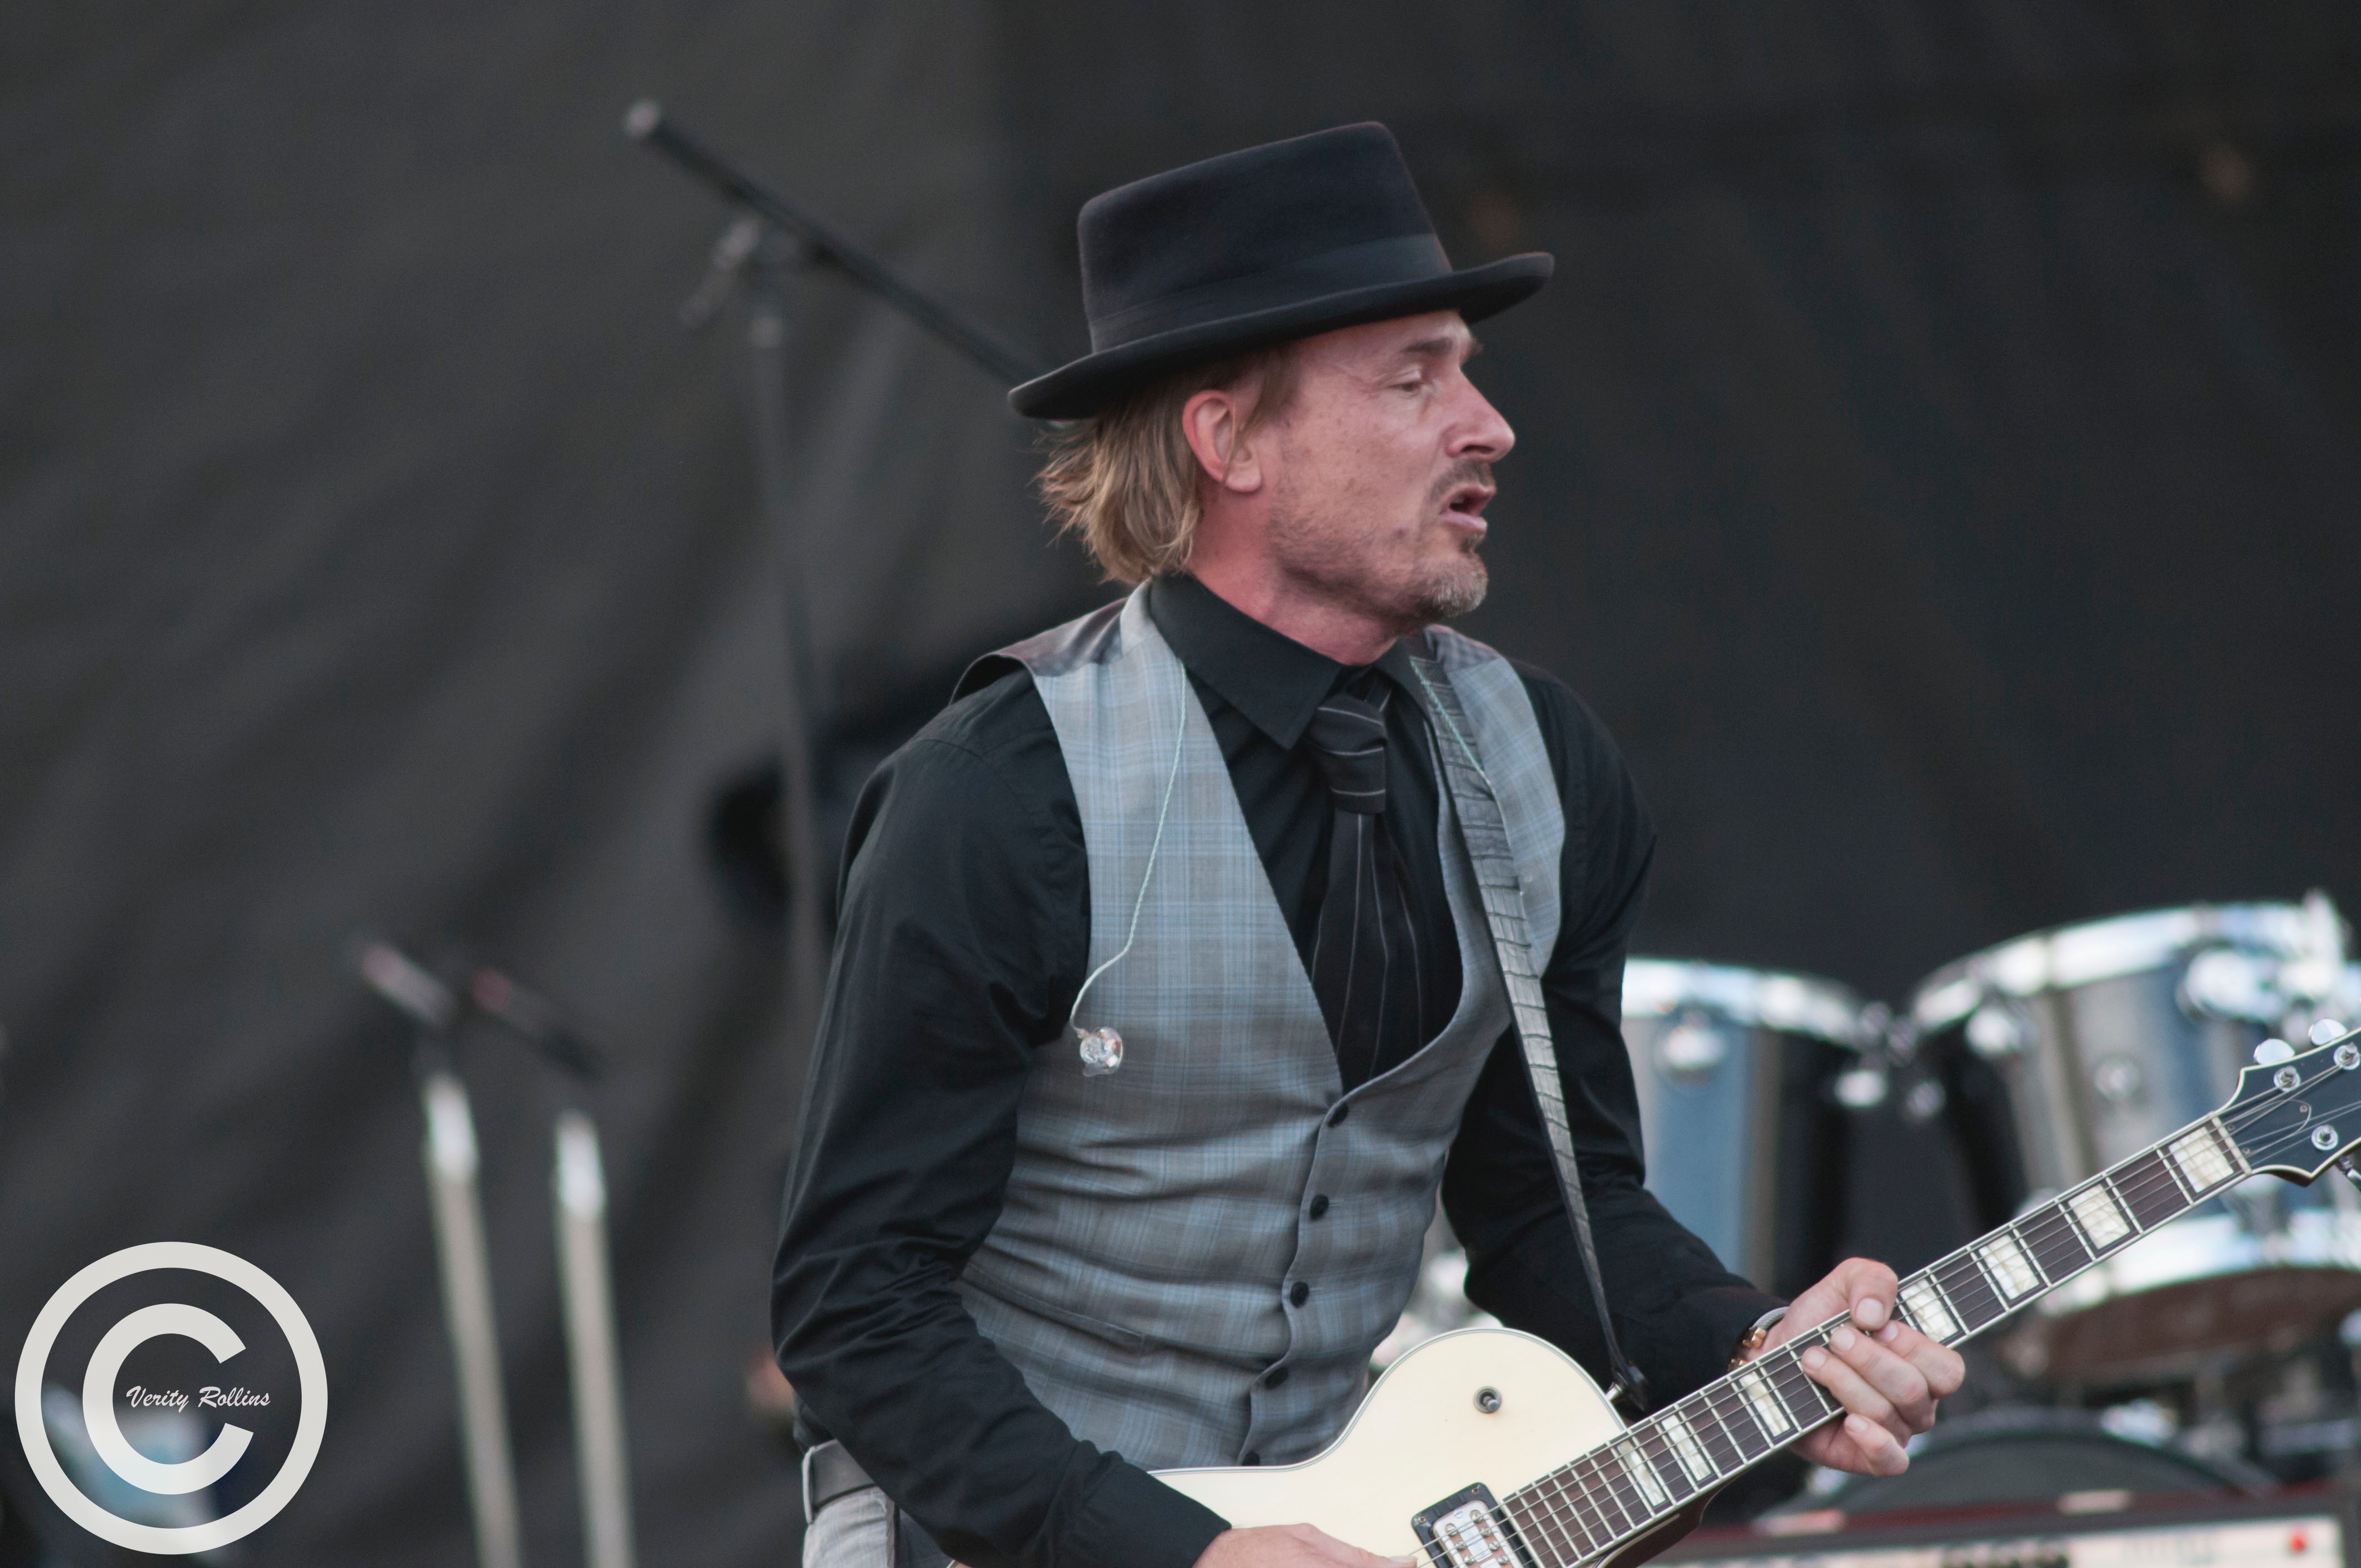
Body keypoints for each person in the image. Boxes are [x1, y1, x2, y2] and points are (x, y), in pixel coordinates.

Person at [772, 123, 1963, 1568]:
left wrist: (1757, 1344)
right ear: (1228, 441)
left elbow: (1552, 1210)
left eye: (1467, 370)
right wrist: (1182, 1553)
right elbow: (856, 1302)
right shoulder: (998, 791)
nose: (1488, 425)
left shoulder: (1543, 764)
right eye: (1414, 379)